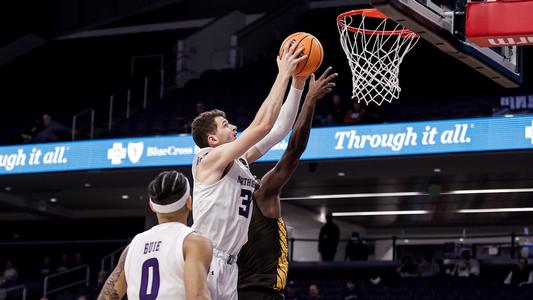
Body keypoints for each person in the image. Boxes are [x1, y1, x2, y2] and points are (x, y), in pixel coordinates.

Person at [190, 41, 307, 300]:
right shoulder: (206, 159)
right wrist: (283, 73)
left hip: (231, 266)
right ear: (212, 139)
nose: (233, 127)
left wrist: (298, 84)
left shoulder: (238, 161)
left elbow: (279, 129)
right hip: (204, 258)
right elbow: (263, 125)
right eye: (225, 125)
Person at [237, 68, 337, 300]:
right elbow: (293, 151)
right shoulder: (260, 195)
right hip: (262, 293)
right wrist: (310, 99)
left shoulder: (221, 206)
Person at [97, 171, 212, 300]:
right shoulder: (194, 241)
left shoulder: (133, 246)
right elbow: (197, 296)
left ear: (152, 205)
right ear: (189, 202)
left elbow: (106, 297)